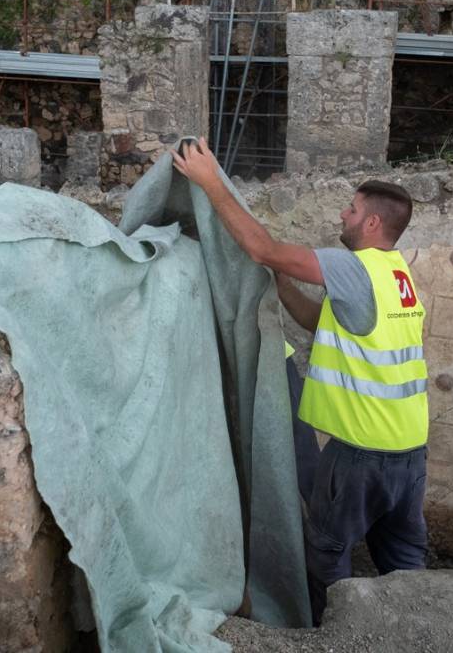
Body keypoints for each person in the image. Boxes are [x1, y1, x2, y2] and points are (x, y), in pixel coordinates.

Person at [172, 138, 429, 626]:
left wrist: (210, 182)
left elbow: (261, 248)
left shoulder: (355, 267)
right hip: (410, 453)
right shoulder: (398, 276)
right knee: (405, 562)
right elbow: (321, 323)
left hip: (361, 455)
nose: (342, 215)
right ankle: (415, 633)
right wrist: (282, 285)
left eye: (351, 209)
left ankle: (334, 637)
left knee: (327, 557)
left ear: (372, 223)